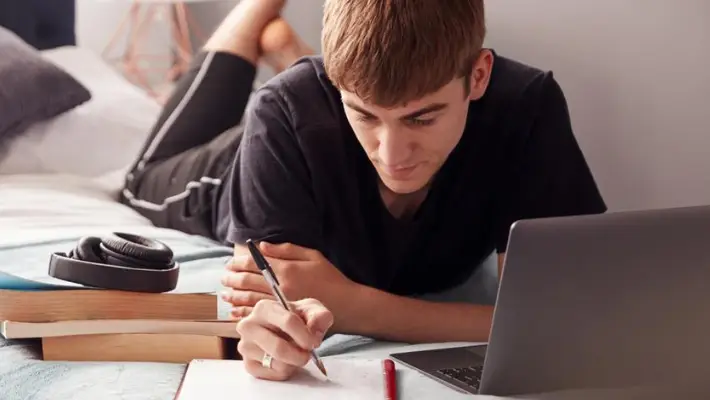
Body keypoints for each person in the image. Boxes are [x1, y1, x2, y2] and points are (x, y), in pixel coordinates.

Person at [120, 0, 607, 381]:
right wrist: (270, 340)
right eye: (366, 114)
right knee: (139, 180)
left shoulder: (528, 108)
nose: (393, 155)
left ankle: (305, 62)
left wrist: (354, 306)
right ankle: (257, 16)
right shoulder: (284, 113)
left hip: (322, 110)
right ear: (336, 87)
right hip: (229, 167)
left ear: (478, 76)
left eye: (423, 117)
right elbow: (265, 320)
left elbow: (558, 319)